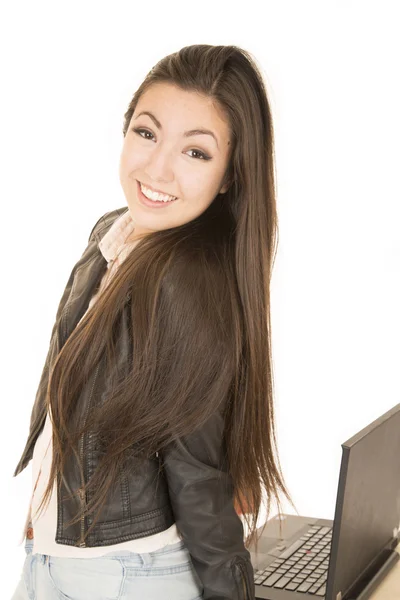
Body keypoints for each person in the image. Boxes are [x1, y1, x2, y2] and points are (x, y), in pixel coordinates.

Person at [11, 43, 295, 600]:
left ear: (230, 176)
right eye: (147, 133)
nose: (157, 168)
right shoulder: (112, 237)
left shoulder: (184, 284)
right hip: (56, 562)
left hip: (124, 577)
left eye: (196, 153)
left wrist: (229, 589)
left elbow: (196, 474)